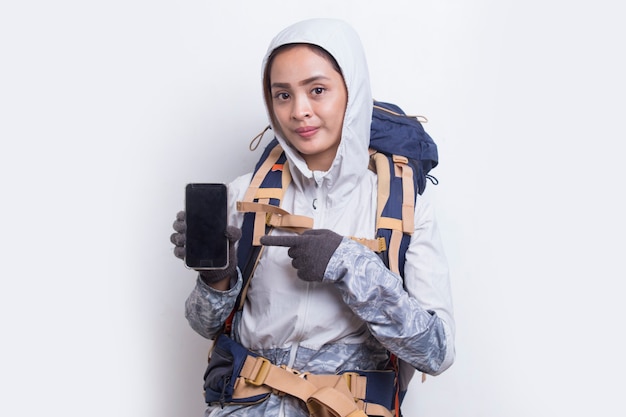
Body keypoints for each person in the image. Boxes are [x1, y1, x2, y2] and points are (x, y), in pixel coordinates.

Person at [171, 18, 455, 417]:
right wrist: (215, 278)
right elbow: (204, 325)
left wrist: (348, 263)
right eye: (282, 95)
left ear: (352, 93)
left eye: (317, 90)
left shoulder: (404, 208)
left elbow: (437, 353)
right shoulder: (245, 194)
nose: (299, 111)